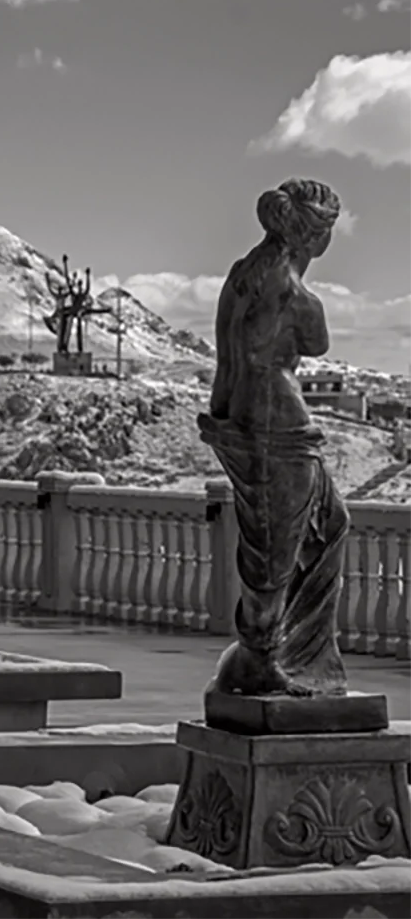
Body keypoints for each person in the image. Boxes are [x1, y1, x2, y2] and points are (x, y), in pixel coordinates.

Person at [199, 179, 349, 699]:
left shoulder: (242, 277)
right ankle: (263, 656)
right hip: (280, 422)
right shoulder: (295, 294)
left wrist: (222, 421)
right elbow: (318, 344)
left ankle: (283, 651)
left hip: (244, 414)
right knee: (276, 547)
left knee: (320, 525)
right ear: (316, 234)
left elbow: (224, 358)